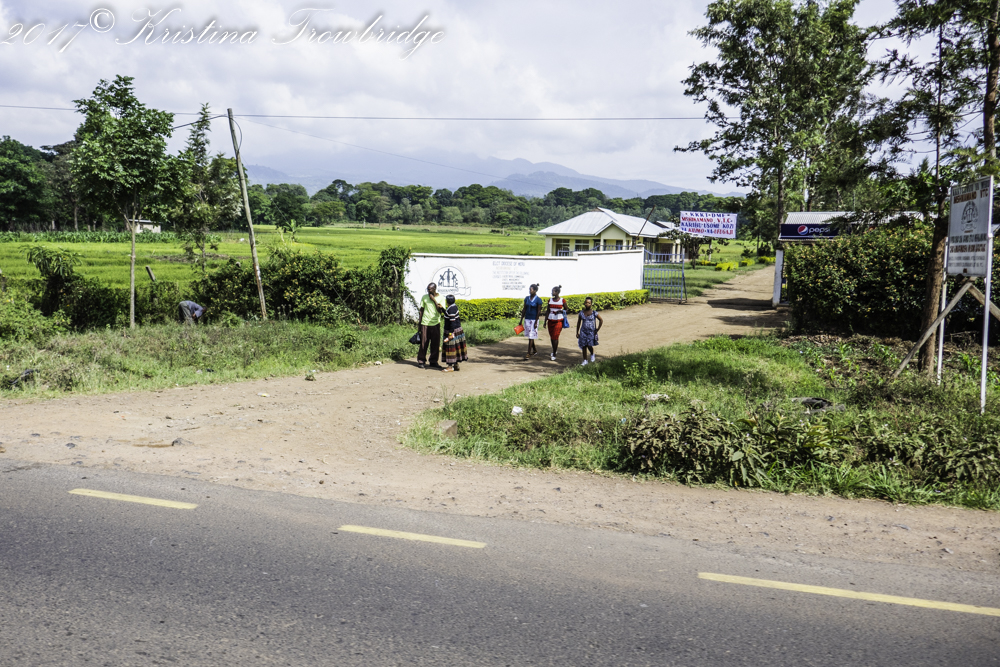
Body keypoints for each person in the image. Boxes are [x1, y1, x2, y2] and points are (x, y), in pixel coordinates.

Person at [416, 282, 445, 369]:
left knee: (435, 343)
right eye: (427, 289)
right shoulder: (424, 297)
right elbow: (421, 310)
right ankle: (421, 361)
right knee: (423, 343)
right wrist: (419, 323)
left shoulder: (441, 298)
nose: (428, 291)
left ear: (434, 289)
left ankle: (433, 361)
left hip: (435, 323)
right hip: (425, 323)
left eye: (430, 289)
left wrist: (434, 300)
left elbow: (440, 311)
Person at [441, 294, 468, 372]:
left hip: (452, 331)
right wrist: (442, 309)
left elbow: (452, 323)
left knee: (450, 348)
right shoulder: (453, 307)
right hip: (456, 330)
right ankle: (456, 365)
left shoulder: (451, 309)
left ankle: (450, 367)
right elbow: (448, 315)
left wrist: (450, 334)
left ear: (447, 301)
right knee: (455, 348)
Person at [517, 283, 544, 360]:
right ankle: (534, 350)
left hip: (534, 319)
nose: (530, 291)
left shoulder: (538, 300)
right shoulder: (526, 298)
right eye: (529, 289)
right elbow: (524, 309)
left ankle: (528, 353)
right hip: (527, 319)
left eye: (531, 290)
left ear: (535, 290)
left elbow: (538, 311)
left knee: (531, 336)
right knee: (530, 336)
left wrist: (536, 322)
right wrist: (521, 320)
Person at [575, 296, 603, 365]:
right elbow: (578, 323)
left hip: (591, 332)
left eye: (589, 303)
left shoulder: (594, 313)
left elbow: (601, 320)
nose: (587, 304)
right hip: (583, 331)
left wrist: (597, 329)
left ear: (591, 304)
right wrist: (577, 332)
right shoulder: (581, 313)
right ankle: (585, 360)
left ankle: (592, 354)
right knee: (584, 346)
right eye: (586, 302)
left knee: (589, 345)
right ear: (584, 303)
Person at [543, 285, 566, 361]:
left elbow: (567, 309)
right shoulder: (550, 300)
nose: (551, 293)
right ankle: (554, 350)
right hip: (550, 320)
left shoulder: (562, 300)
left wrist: (561, 311)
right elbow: (547, 311)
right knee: (552, 337)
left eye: (553, 291)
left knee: (555, 336)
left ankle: (554, 354)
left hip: (558, 321)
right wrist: (545, 321)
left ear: (557, 292)